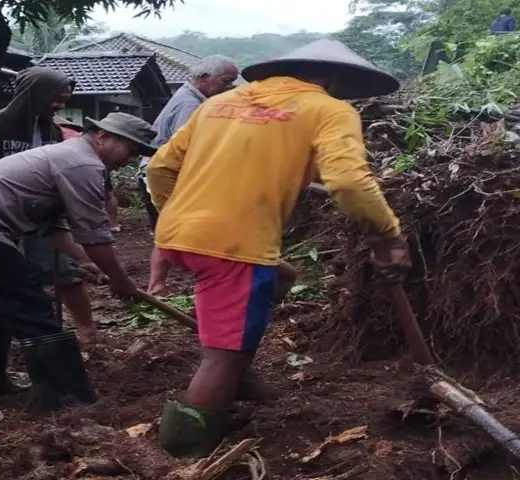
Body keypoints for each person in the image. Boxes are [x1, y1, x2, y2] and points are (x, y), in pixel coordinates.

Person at [147, 39, 412, 458]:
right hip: (232, 246)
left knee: (281, 276)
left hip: (180, 233)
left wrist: (178, 216)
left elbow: (161, 166)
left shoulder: (220, 103)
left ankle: (240, 375)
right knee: (219, 357)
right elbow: (348, 182)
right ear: (336, 79)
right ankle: (183, 448)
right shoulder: (329, 110)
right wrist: (387, 236)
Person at [0, 112, 157, 410]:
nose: (130, 159)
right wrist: (122, 281)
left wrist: (85, 262)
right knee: (32, 307)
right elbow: (94, 236)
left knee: (0, 308)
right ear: (103, 136)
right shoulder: (82, 164)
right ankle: (68, 401)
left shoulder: (70, 156)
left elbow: (55, 227)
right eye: (131, 149)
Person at [0, 67, 100, 346]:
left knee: (67, 270)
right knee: (12, 287)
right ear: (33, 94)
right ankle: (22, 344)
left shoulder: (52, 130)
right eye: (56, 98)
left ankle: (85, 333)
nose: (62, 104)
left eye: (65, 98)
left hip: (40, 219)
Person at [137, 55, 240, 296]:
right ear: (204, 78)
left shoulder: (194, 100)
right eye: (226, 81)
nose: (230, 87)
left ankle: (161, 285)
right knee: (172, 229)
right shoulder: (190, 106)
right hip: (164, 175)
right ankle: (160, 286)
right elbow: (185, 149)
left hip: (166, 172)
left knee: (170, 229)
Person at [54, 116, 122, 233]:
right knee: (108, 193)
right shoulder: (76, 133)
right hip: (92, 162)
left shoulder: (56, 132)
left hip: (75, 165)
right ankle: (112, 224)